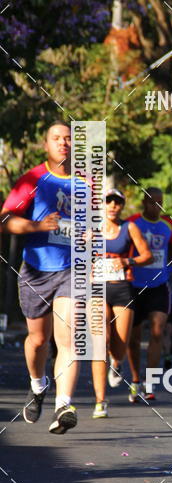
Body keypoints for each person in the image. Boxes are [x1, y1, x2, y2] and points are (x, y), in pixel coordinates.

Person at [0, 122, 81, 434]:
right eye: (56, 139)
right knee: (38, 341)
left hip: (71, 270)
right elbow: (6, 220)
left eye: (68, 139)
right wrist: (38, 226)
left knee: (68, 339)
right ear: (46, 145)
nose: (63, 143)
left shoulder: (86, 183)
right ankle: (38, 385)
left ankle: (64, 405)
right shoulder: (34, 179)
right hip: (36, 269)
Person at [90, 190, 152, 416]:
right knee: (99, 341)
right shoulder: (91, 228)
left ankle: (117, 363)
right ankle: (100, 401)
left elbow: (148, 256)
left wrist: (128, 260)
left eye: (118, 202)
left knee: (119, 345)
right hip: (96, 289)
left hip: (122, 289)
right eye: (109, 201)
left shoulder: (130, 227)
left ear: (123, 205)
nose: (113, 205)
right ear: (102, 205)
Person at [127, 187, 172, 402]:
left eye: (160, 203)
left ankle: (150, 382)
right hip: (134, 285)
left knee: (158, 331)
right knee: (135, 336)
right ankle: (135, 380)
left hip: (159, 285)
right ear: (144, 202)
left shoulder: (168, 225)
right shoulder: (132, 222)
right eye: (152, 203)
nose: (156, 207)